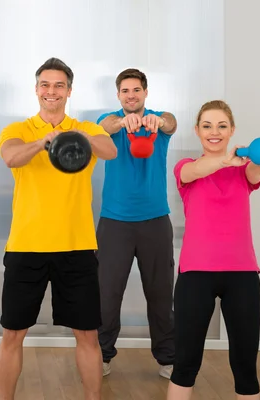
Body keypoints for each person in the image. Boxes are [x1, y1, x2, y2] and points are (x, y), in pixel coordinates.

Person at [0, 57, 118, 400]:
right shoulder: (18, 129)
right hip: (26, 246)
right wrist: (44, 141)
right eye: (46, 85)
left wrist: (75, 134)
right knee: (12, 334)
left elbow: (109, 150)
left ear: (69, 91)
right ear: (37, 90)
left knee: (88, 336)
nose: (52, 92)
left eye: (59, 85)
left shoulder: (86, 128)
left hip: (76, 246)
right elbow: (10, 157)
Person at [167, 100, 260, 400]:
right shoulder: (186, 168)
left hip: (243, 275)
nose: (215, 132)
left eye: (222, 126)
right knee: (185, 364)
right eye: (207, 126)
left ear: (232, 130)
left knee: (246, 367)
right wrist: (226, 160)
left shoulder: (244, 171)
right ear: (197, 131)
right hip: (196, 274)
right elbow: (195, 171)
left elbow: (258, 170)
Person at [96, 68, 178, 379]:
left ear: (145, 93)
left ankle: (168, 358)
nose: (131, 95)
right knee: (107, 293)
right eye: (125, 91)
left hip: (155, 220)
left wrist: (158, 121)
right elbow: (103, 126)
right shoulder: (111, 122)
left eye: (136, 90)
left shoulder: (158, 119)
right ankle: (102, 356)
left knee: (160, 294)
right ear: (118, 95)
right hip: (115, 222)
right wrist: (121, 122)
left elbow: (172, 122)